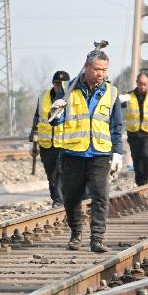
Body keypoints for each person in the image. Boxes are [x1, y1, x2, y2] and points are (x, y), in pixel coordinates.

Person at [49, 43, 124, 252]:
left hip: (100, 153)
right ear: (86, 67)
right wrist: (55, 111)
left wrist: (118, 152)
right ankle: (76, 234)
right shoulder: (68, 90)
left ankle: (97, 238)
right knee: (72, 196)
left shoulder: (112, 92)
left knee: (100, 196)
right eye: (97, 69)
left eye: (104, 70)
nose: (101, 74)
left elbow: (116, 125)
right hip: (73, 153)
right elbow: (55, 121)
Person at [29, 70, 69, 206]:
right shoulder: (43, 96)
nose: (59, 86)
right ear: (53, 83)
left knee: (61, 172)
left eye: (62, 84)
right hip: (46, 144)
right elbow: (37, 118)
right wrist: (33, 143)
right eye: (57, 83)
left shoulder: (71, 97)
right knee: (51, 174)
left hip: (64, 143)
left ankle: (60, 200)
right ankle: (56, 198)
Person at [123, 72, 148, 186]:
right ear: (137, 83)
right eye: (140, 84)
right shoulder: (129, 96)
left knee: (146, 154)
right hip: (133, 133)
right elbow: (116, 106)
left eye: (145, 84)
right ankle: (140, 181)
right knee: (136, 157)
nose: (143, 86)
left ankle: (146, 176)